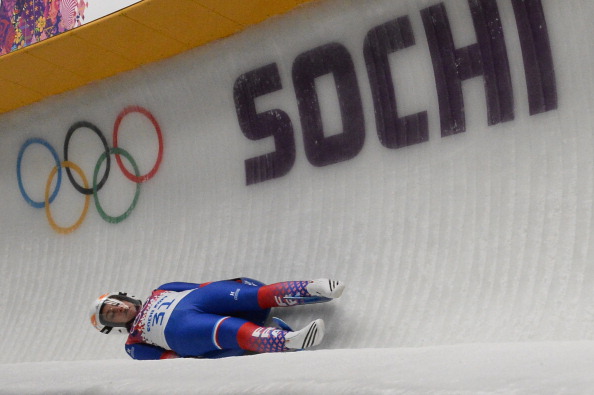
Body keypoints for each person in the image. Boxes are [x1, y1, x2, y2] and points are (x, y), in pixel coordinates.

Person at [90, 277, 345, 360]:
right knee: (233, 331)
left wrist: (235, 285)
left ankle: (313, 288)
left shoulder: (162, 288)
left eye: (115, 304)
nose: (119, 310)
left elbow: (203, 285)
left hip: (199, 299)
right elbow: (169, 360)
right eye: (112, 315)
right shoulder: (133, 344)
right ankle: (289, 340)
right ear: (114, 326)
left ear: (123, 297)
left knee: (254, 295)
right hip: (181, 332)